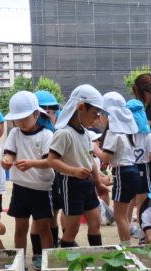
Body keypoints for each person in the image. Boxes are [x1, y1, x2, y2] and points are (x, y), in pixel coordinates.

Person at [48, 84, 110, 248]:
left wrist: (98, 182)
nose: (96, 118)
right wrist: (73, 171)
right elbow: (52, 160)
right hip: (71, 184)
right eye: (94, 114)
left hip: (88, 184)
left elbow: (90, 159)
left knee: (95, 221)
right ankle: (65, 255)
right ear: (81, 107)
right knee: (73, 226)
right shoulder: (63, 133)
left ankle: (97, 254)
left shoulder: (85, 133)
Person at [1, 91, 54, 271]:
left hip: (40, 188)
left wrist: (31, 163)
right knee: (20, 227)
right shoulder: (15, 133)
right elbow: (9, 153)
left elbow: (50, 162)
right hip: (20, 187)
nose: (20, 123)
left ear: (36, 114)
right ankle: (20, 262)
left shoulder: (46, 135)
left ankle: (47, 264)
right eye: (17, 119)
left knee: (43, 228)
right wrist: (5, 160)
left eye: (24, 118)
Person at [92, 92, 139, 246]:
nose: (101, 117)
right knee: (124, 214)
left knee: (120, 216)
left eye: (102, 114)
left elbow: (105, 157)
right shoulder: (128, 132)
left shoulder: (114, 132)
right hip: (133, 171)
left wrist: (94, 147)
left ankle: (126, 248)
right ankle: (126, 245)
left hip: (123, 173)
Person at [126, 99, 151, 237]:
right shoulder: (147, 134)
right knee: (142, 201)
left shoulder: (125, 133)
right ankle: (141, 227)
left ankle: (126, 225)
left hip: (127, 168)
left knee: (128, 199)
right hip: (143, 169)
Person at [36, 90, 62, 247]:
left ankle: (53, 244)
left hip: (55, 179)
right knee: (40, 219)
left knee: (54, 213)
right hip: (39, 182)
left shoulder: (56, 132)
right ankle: (39, 251)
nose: (50, 116)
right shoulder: (34, 134)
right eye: (47, 112)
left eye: (53, 112)